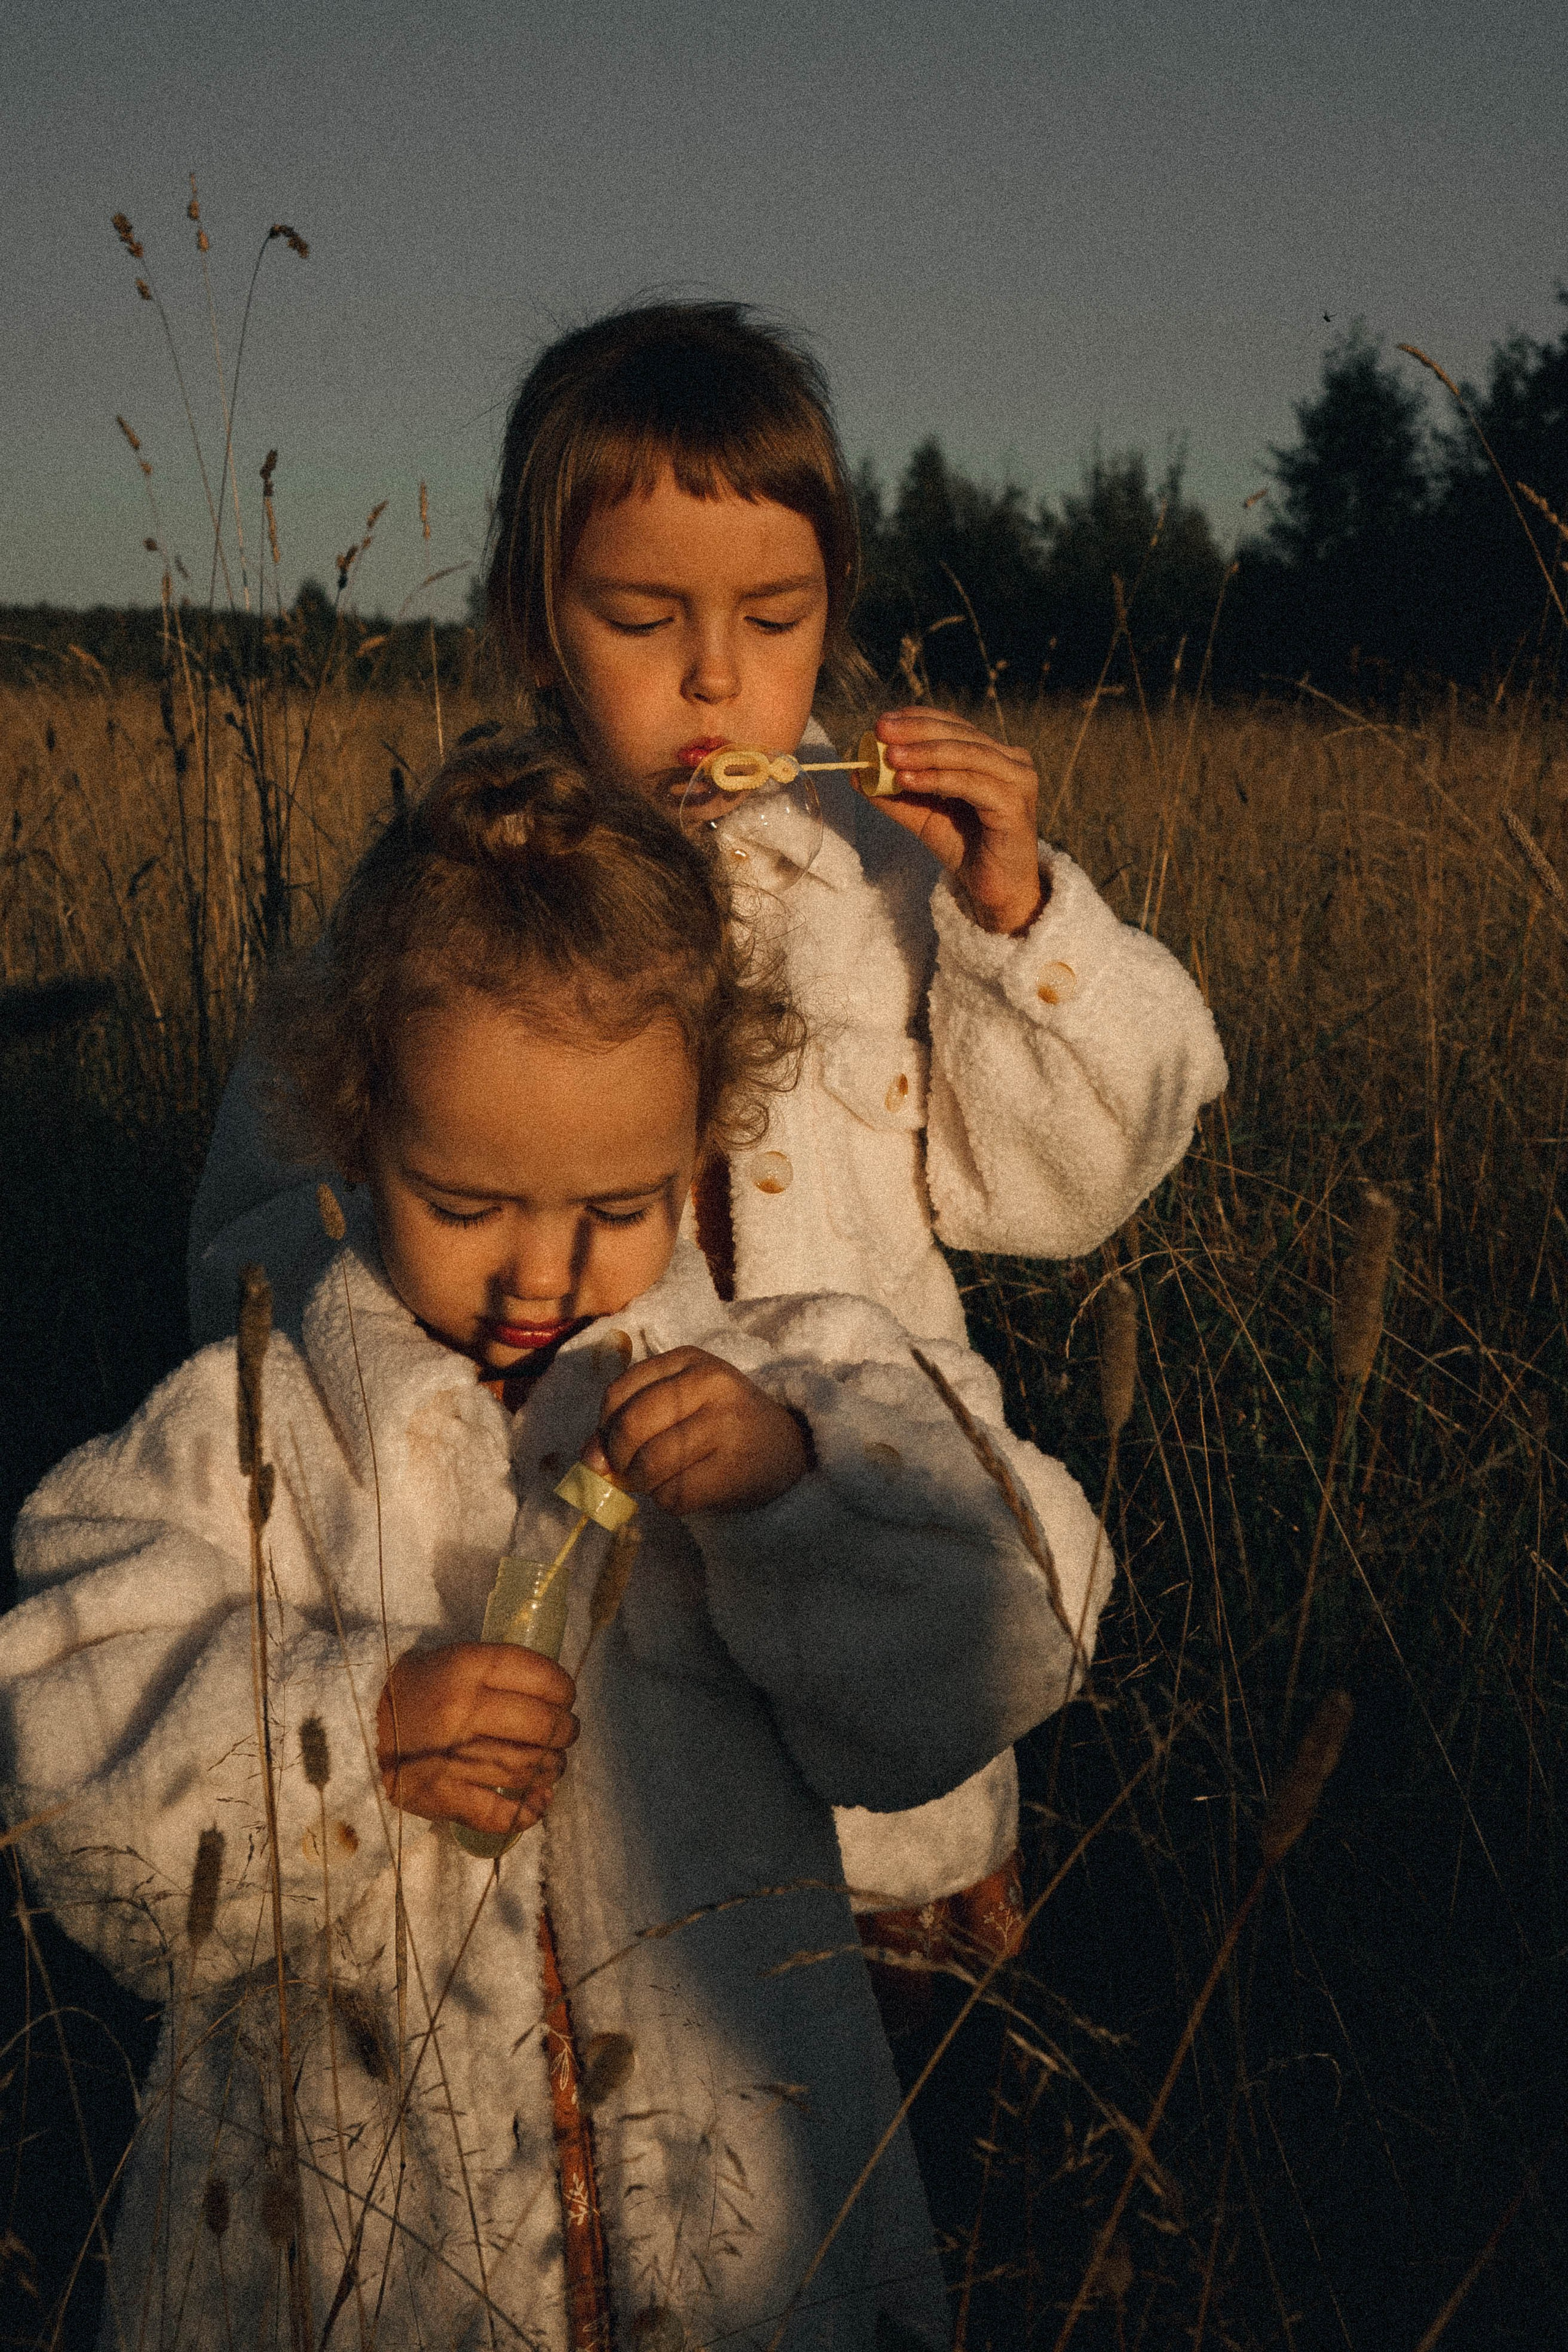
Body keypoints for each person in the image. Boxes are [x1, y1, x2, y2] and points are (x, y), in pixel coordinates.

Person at [1, 742, 1114, 2350]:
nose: (543, 1272)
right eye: (467, 1205)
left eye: (618, 1206)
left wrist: (800, 1483)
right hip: (358, 2261)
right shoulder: (249, 1439)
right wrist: (351, 1729)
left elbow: (1012, 1640)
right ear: (353, 1129)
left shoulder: (796, 1383)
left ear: (703, 1136)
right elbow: (66, 1767)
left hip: (747, 2238)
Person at [187, 300, 1226, 1987]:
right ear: (532, 624)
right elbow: (253, 1254)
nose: (717, 676)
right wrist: (455, 1345)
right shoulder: (436, 915)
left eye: (776, 617)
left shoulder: (890, 887)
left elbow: (1075, 1184)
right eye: (641, 617)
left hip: (868, 1683)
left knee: (883, 2100)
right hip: (573, 1704)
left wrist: (1017, 911)